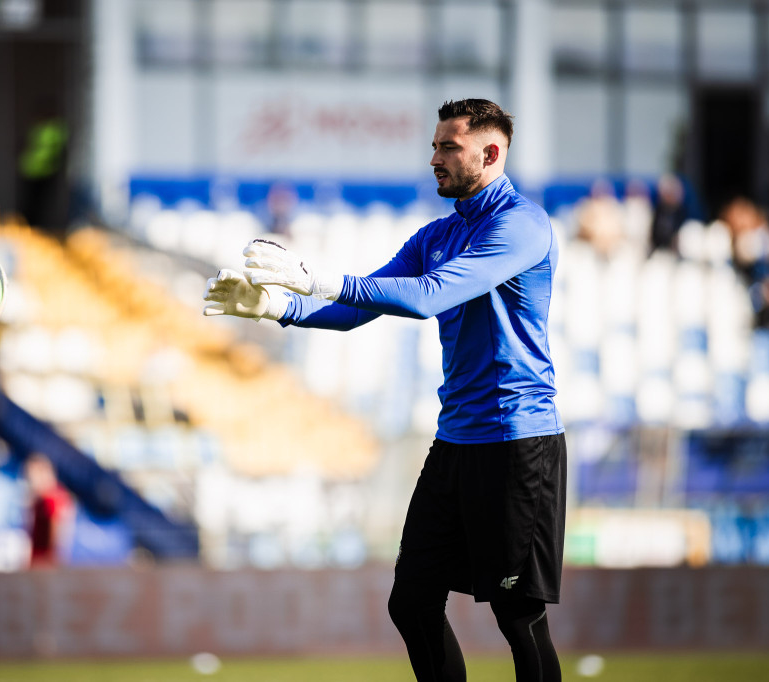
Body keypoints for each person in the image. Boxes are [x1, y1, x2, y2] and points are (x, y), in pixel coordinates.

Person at [203, 98, 565, 682]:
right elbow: (358, 305)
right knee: (411, 600)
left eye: (449, 147)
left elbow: (425, 298)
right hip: (457, 442)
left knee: (517, 614)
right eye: (434, 145)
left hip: (519, 442)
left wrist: (312, 276)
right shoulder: (438, 234)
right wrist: (277, 306)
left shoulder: (522, 225)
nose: (434, 158)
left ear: (491, 153)